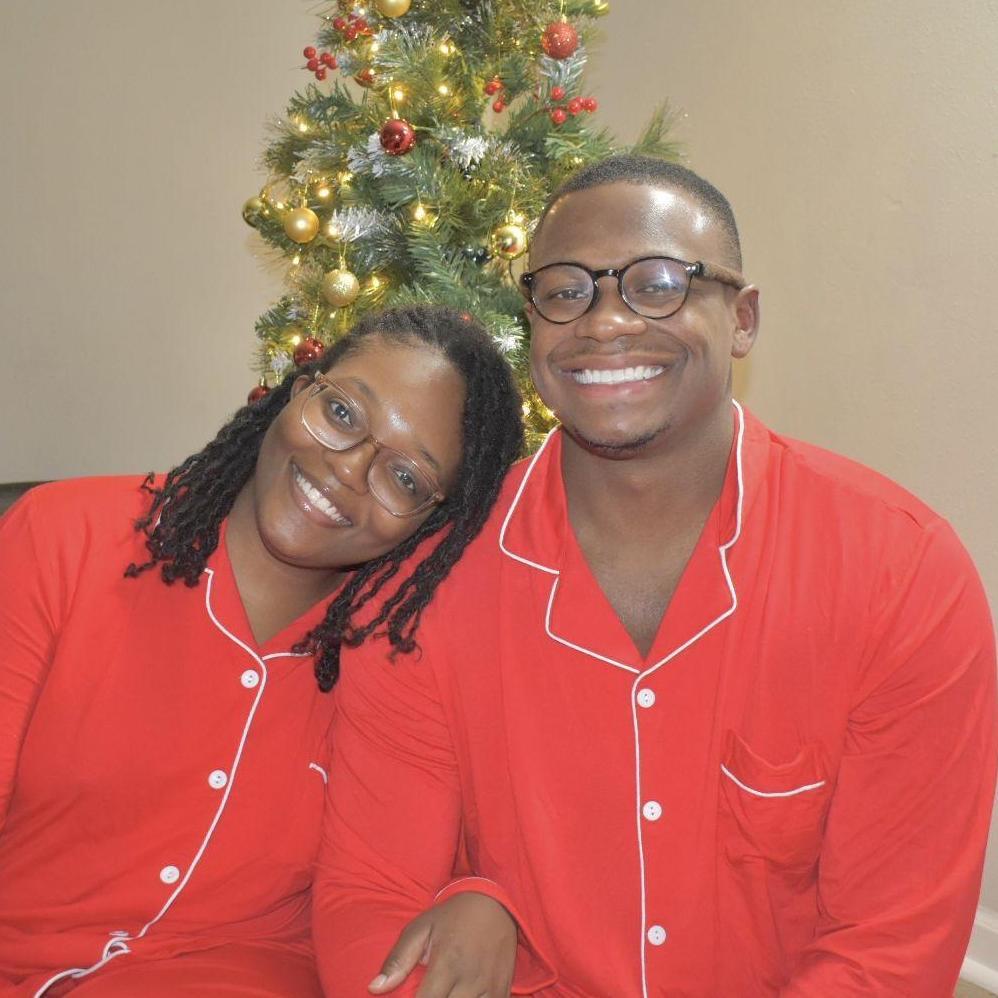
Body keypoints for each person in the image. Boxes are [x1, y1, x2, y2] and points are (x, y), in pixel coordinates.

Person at [312, 157, 998, 996]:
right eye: (565, 292)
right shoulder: (423, 591)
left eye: (660, 284)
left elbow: (889, 950)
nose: (604, 323)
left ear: (742, 318)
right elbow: (372, 901)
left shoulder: (903, 575)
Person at [0, 306, 525, 997]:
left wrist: (481, 897)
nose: (348, 470)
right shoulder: (64, 537)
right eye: (342, 413)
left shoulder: (398, 662)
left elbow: (426, 862)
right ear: (296, 389)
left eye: (405, 478)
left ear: (436, 524)